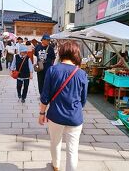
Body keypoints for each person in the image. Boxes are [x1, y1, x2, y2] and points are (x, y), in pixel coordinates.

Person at [38, 40, 88, 171]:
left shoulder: (52, 70)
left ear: (61, 53)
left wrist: (42, 113)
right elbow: (83, 100)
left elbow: (45, 96)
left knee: (55, 143)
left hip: (55, 115)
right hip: (75, 117)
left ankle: (56, 166)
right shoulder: (82, 74)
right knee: (73, 149)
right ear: (76, 54)